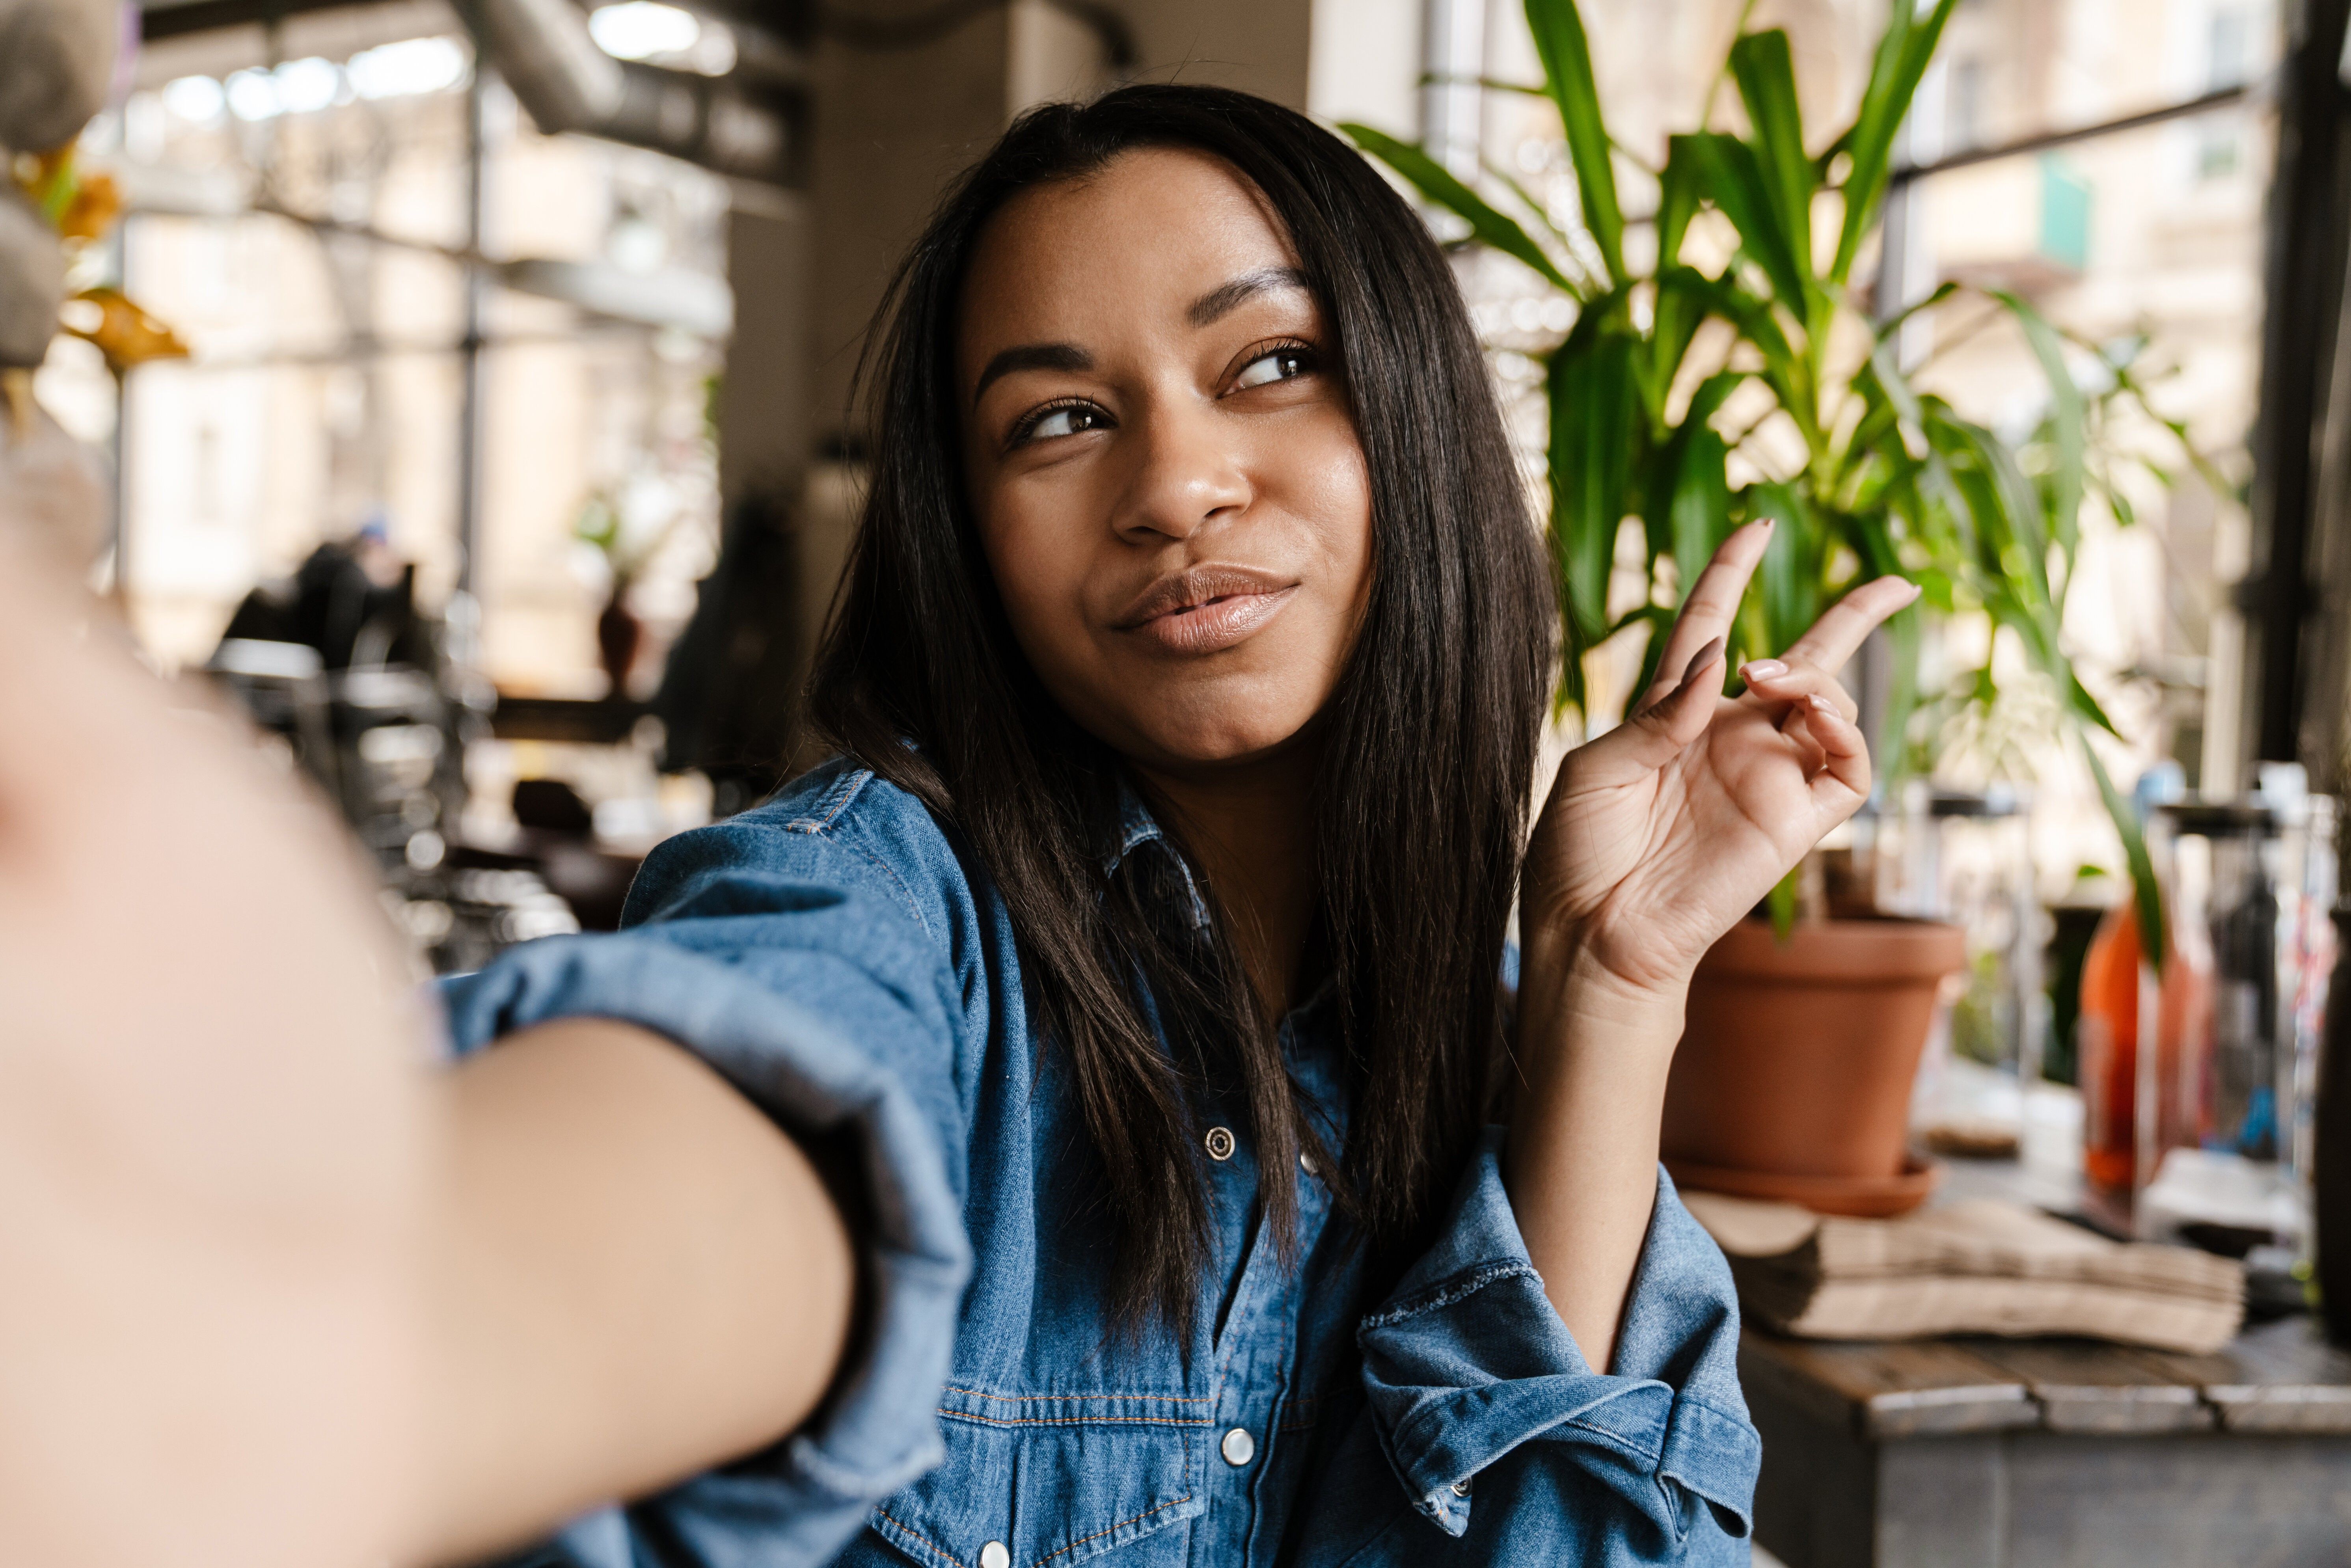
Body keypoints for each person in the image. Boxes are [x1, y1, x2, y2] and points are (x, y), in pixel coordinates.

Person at [0, 86, 1916, 1568]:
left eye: (1267, 363)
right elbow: (734, 1125)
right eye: (1058, 421)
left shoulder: (1483, 1019)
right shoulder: (873, 899)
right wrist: (255, 1352)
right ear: (968, 543)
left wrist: (1609, 986)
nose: (1175, 483)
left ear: (1406, 412)